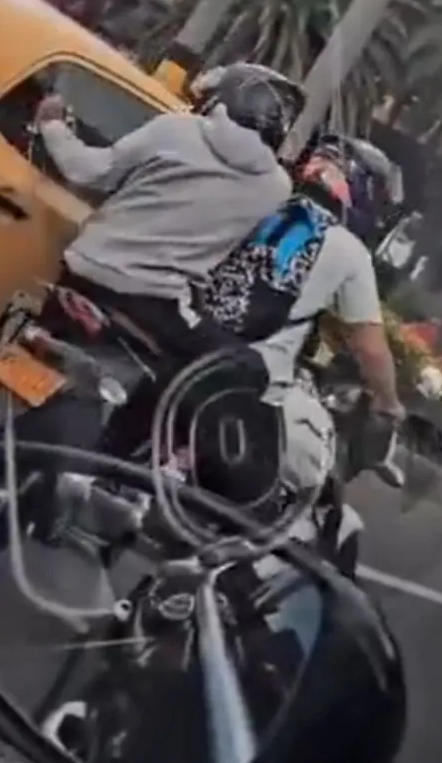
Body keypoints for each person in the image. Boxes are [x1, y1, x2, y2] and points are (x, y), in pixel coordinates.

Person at [185, 145, 406, 513]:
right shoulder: (349, 251)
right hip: (250, 376)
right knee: (269, 489)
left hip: (186, 332)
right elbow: (371, 350)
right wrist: (389, 402)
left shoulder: (262, 199)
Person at [34, 62, 298, 367]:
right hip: (152, 301)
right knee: (247, 367)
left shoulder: (175, 128)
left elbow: (88, 171)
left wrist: (52, 126)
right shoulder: (276, 188)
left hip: (83, 268)